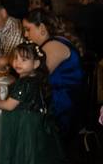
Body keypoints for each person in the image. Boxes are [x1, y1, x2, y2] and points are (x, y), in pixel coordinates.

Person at [0, 41, 73, 164]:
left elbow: (9, 106)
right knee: (49, 162)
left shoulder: (23, 83)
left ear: (36, 63)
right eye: (16, 58)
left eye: (24, 59)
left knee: (29, 161)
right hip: (43, 126)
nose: (17, 63)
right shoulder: (37, 79)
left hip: (28, 128)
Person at [21, 9, 83, 138]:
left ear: (42, 28)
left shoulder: (54, 46)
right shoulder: (51, 43)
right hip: (56, 102)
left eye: (28, 29)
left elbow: (35, 77)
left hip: (62, 109)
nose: (25, 35)